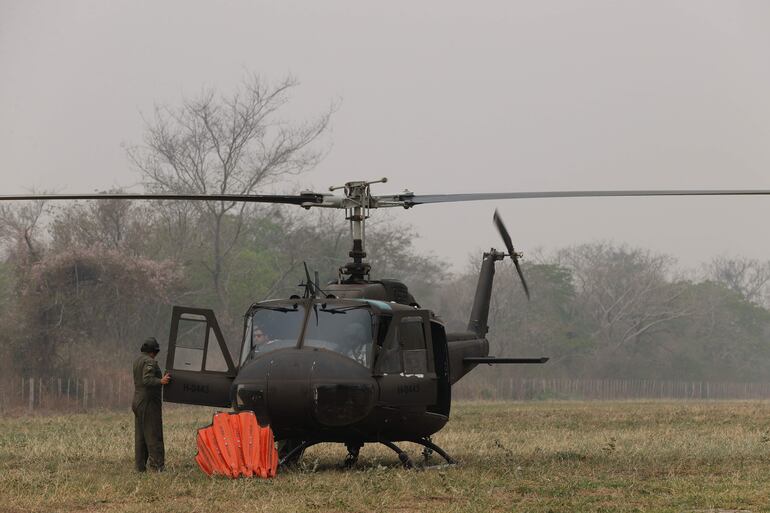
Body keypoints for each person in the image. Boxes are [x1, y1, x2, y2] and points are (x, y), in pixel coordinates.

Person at [132, 337, 171, 472]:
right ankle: (157, 467)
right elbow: (147, 379)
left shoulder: (138, 360)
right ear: (153, 351)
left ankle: (140, 467)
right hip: (148, 402)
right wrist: (161, 381)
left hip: (137, 401)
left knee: (141, 436)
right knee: (154, 434)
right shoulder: (150, 362)